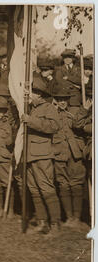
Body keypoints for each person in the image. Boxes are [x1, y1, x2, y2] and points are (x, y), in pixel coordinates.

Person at [20, 77, 61, 235]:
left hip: (42, 154)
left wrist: (31, 120)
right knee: (35, 190)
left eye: (32, 92)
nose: (29, 95)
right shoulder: (32, 108)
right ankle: (43, 223)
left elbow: (53, 126)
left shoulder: (49, 108)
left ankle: (55, 224)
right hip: (30, 154)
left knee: (46, 189)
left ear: (40, 94)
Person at [51, 86, 86, 228]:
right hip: (59, 153)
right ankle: (69, 217)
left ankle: (77, 217)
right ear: (56, 100)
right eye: (59, 99)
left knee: (76, 184)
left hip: (75, 153)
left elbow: (78, 125)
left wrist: (84, 110)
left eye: (64, 99)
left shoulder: (76, 112)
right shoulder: (52, 113)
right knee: (63, 184)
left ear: (68, 100)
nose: (62, 102)